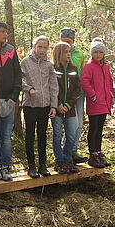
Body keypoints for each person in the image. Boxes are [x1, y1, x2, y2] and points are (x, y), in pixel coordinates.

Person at [0, 21, 22, 180]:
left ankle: (6, 166)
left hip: (9, 101)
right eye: (2, 31)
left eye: (6, 32)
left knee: (6, 136)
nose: (5, 35)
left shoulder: (11, 51)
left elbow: (17, 74)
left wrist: (14, 97)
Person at [20, 35, 57, 178]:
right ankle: (31, 166)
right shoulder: (25, 62)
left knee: (42, 135)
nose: (42, 50)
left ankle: (43, 164)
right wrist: (28, 89)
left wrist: (53, 105)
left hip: (45, 106)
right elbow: (18, 80)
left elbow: (53, 86)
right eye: (39, 47)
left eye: (44, 47)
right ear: (34, 47)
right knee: (30, 135)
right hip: (30, 105)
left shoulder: (49, 65)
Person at [80, 38, 115, 169]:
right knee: (93, 128)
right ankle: (92, 154)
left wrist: (112, 95)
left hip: (105, 103)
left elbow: (110, 82)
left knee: (100, 129)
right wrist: (93, 95)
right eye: (96, 52)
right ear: (92, 54)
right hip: (95, 103)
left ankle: (99, 152)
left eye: (101, 52)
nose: (98, 54)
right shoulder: (89, 67)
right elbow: (84, 81)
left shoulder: (105, 66)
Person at [51, 41, 81, 173]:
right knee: (57, 134)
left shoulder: (73, 69)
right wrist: (58, 105)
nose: (68, 54)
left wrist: (68, 104)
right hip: (56, 109)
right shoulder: (52, 69)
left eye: (69, 52)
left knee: (72, 133)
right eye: (66, 52)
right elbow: (50, 88)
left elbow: (77, 89)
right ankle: (59, 160)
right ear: (59, 54)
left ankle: (67, 158)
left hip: (70, 109)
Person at [59, 28, 88, 164]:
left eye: (69, 42)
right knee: (68, 125)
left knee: (79, 124)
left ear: (73, 41)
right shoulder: (58, 52)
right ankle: (65, 153)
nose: (67, 44)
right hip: (62, 96)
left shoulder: (79, 54)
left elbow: (82, 73)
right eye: (64, 41)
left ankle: (73, 151)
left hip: (77, 94)